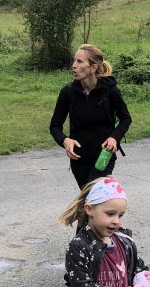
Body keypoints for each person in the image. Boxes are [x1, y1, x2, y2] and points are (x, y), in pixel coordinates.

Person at [50, 44, 133, 190]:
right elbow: (55, 126)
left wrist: (114, 138)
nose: (74, 66)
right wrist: (65, 140)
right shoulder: (68, 92)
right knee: (89, 203)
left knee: (92, 197)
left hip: (103, 157)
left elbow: (126, 119)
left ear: (93, 67)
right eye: (74, 61)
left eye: (80, 61)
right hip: (79, 159)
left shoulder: (110, 91)